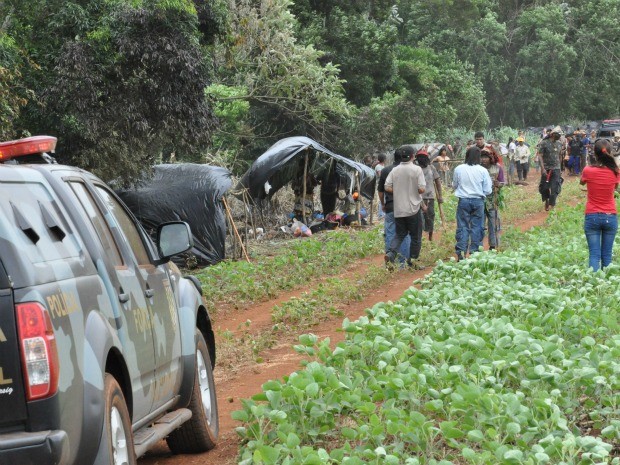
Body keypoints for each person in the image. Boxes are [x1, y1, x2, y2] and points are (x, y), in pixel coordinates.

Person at [580, 139, 620, 271]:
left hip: (592, 216)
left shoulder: (588, 170)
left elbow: (582, 182)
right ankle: (606, 286)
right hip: (610, 216)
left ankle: (593, 285)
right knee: (607, 255)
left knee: (594, 254)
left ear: (595, 154)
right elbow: (615, 187)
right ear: (609, 153)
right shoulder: (615, 171)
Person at [384, 145, 427, 269]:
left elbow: (387, 187)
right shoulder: (416, 169)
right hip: (413, 208)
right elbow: (422, 189)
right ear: (413, 156)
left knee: (400, 234)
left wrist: (398, 191)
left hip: (399, 208)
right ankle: (413, 261)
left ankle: (391, 253)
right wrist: (412, 190)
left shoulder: (395, 170)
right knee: (416, 236)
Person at [452, 146, 493, 261]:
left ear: (466, 156)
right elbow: (488, 190)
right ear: (478, 157)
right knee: (477, 227)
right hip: (478, 201)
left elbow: (454, 185)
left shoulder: (459, 169)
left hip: (463, 201)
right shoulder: (483, 170)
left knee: (463, 226)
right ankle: (475, 252)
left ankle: (461, 252)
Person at [378, 149, 410, 265]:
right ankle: (403, 262)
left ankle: (390, 261)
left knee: (390, 233)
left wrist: (382, 204)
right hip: (405, 207)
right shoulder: (409, 170)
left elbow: (380, 191)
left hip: (390, 206)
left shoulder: (385, 170)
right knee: (405, 234)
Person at [415, 150, 443, 241]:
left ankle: (430, 237)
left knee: (430, 217)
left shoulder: (431, 168)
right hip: (417, 198)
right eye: (420, 158)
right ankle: (419, 237)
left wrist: (440, 196)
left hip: (430, 197)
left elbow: (438, 182)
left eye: (423, 158)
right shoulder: (415, 169)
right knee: (419, 218)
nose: (422, 159)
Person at [480, 148, 505, 250]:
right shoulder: (478, 168)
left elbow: (502, 182)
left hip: (493, 199)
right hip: (480, 199)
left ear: (490, 158)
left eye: (486, 157)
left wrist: (498, 184)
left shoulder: (497, 168)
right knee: (480, 224)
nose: (484, 160)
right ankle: (479, 246)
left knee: (493, 223)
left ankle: (493, 245)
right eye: (482, 157)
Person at [537, 126, 563, 211]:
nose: (559, 136)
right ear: (552, 134)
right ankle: (547, 200)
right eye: (558, 134)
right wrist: (543, 168)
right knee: (544, 187)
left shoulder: (559, 144)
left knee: (555, 187)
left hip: (556, 168)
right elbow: (540, 156)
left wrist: (560, 168)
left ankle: (552, 205)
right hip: (546, 168)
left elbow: (560, 156)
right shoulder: (544, 143)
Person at [375, 154, 386, 218]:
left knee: (384, 199)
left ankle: (383, 213)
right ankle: (380, 214)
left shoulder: (383, 166)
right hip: (380, 184)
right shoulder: (378, 166)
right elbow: (380, 175)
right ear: (384, 159)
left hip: (384, 184)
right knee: (381, 199)